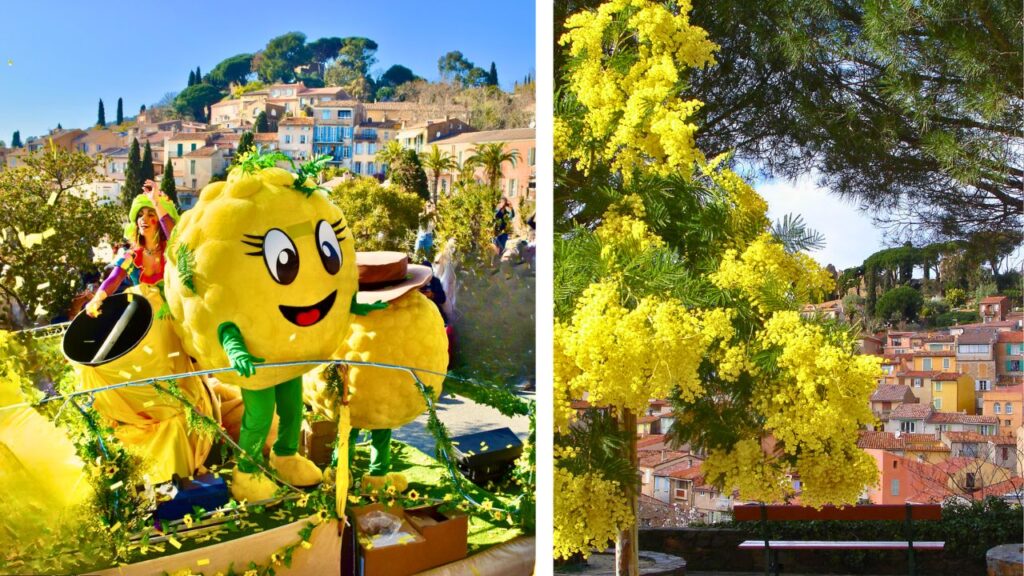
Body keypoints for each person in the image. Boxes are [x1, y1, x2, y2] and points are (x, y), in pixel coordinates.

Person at [86, 180, 177, 316]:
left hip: (175, 318)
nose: (143, 219)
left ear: (160, 222)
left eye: (151, 214)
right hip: (147, 320)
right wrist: (97, 299)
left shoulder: (171, 250)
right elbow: (113, 279)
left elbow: (175, 235)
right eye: (140, 215)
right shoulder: (131, 256)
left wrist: (156, 202)